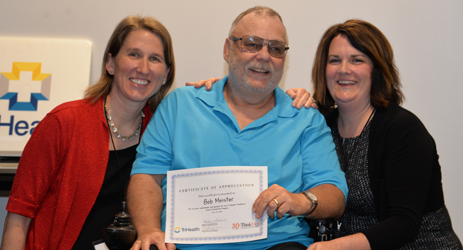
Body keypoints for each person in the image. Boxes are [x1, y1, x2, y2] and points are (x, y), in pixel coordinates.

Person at [127, 6, 348, 250]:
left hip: (275, 245)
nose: (264, 56)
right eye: (251, 44)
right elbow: (147, 175)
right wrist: (148, 230)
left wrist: (301, 201)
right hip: (184, 245)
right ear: (227, 49)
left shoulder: (305, 118)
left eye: (275, 48)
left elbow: (334, 193)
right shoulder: (179, 105)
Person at [0, 16, 220, 250]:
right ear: (110, 63)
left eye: (154, 59)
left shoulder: (166, 129)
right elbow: (19, 217)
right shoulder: (63, 123)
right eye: (134, 54)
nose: (143, 68)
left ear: (165, 74)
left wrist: (214, 96)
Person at [299, 19, 462, 249]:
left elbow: (403, 224)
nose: (344, 69)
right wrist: (292, 107)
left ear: (376, 69)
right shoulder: (320, 125)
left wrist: (333, 247)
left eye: (357, 60)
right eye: (335, 60)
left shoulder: (403, 130)